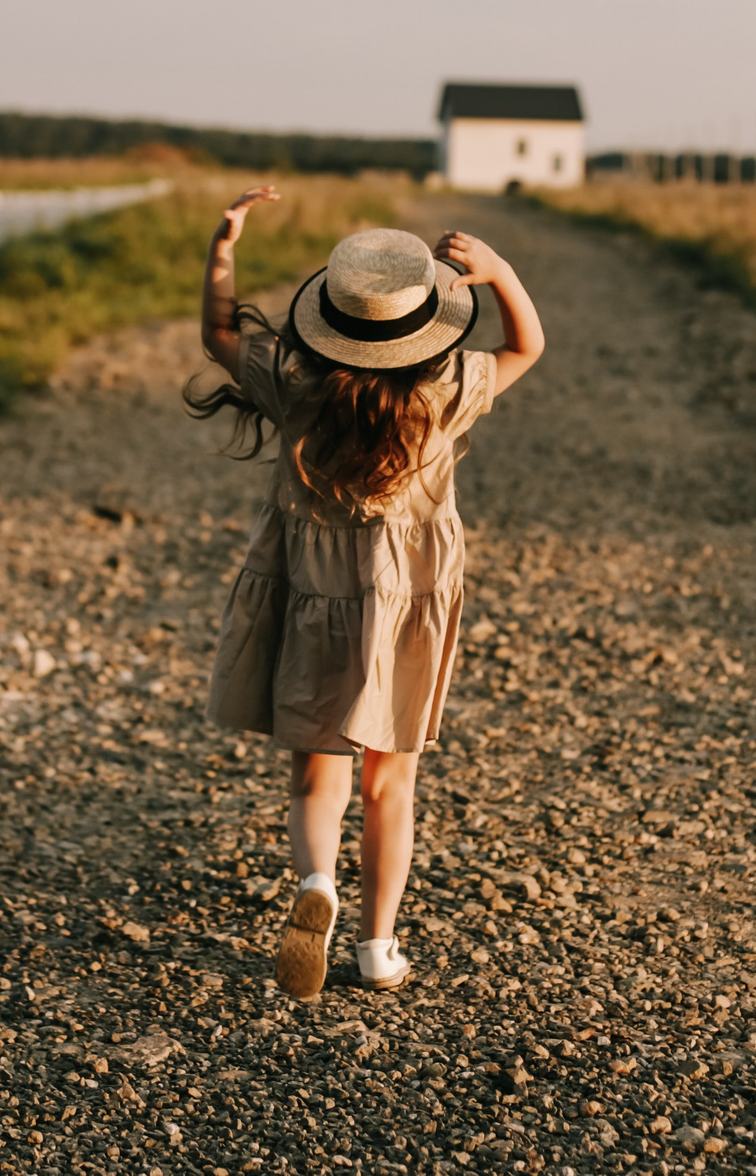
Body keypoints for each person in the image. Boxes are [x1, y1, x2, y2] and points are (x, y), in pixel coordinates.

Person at [187, 187, 544, 999]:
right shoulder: (443, 393)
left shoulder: (295, 385)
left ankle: (317, 882)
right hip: (407, 603)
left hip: (314, 596)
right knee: (390, 784)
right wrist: (498, 271)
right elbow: (529, 344)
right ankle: (378, 947)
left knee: (317, 776)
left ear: (330, 321)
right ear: (424, 328)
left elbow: (217, 333)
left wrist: (223, 245)